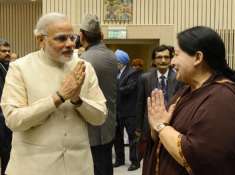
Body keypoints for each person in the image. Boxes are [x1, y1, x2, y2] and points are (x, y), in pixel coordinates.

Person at [1, 12, 107, 175]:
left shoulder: (84, 67)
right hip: (32, 168)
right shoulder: (20, 68)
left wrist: (77, 100)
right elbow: (14, 120)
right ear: (41, 40)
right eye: (61, 38)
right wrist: (58, 98)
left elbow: (100, 117)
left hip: (79, 168)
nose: (70, 44)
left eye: (72, 38)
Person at [144, 26, 235, 175]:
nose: (172, 62)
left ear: (198, 58)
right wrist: (157, 128)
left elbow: (199, 156)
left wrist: (161, 127)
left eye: (176, 55)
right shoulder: (188, 90)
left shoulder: (222, 100)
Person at [79, 14, 117, 175]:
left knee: (96, 168)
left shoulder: (84, 60)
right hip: (108, 122)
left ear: (81, 36)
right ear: (101, 35)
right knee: (105, 164)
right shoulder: (111, 55)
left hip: (92, 126)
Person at [135, 45, 182, 162]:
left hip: (173, 125)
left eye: (166, 57)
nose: (163, 60)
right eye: (159, 57)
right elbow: (140, 103)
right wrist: (138, 127)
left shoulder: (179, 78)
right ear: (154, 60)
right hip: (150, 127)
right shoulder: (144, 78)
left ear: (171, 59)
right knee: (150, 159)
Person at [113, 49, 141, 171]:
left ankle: (135, 162)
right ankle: (119, 160)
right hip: (117, 111)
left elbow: (129, 88)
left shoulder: (133, 72)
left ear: (121, 62)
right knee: (117, 137)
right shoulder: (116, 73)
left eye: (115, 61)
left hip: (130, 112)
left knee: (132, 139)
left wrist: (114, 88)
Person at [0, 39, 12, 175]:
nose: (7, 53)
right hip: (1, 116)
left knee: (6, 154)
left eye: (8, 51)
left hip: (5, 117)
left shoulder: (7, 66)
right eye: (3, 51)